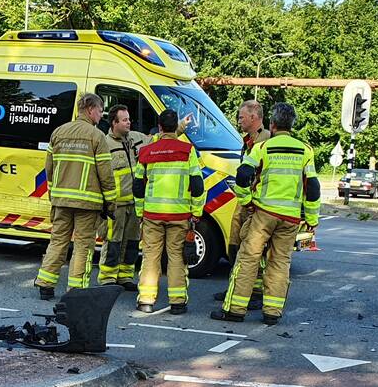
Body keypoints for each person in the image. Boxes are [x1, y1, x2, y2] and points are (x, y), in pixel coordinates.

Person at [211, 102, 320, 325]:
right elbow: (314, 187)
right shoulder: (306, 150)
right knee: (280, 263)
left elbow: (242, 175)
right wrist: (311, 219)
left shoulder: (263, 148)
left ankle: (235, 310)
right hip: (290, 218)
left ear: (272, 123)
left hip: (263, 214)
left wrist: (246, 201)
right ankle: (272, 312)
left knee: (248, 258)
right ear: (292, 124)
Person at [34, 93, 117, 299]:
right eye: (99, 110)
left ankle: (45, 284)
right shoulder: (96, 136)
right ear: (90, 109)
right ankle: (76, 290)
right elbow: (106, 174)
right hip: (87, 203)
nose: (101, 114)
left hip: (61, 201)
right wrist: (111, 203)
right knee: (83, 246)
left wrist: (54, 195)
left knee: (58, 241)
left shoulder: (58, 132)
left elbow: (49, 169)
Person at [133, 109, 206, 315]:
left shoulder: (147, 152)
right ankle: (177, 302)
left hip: (152, 214)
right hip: (180, 215)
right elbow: (197, 185)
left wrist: (140, 212)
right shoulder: (188, 151)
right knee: (176, 258)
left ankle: (146, 300)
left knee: (150, 258)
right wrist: (196, 212)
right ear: (176, 127)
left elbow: (138, 186)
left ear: (160, 127)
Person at [214, 100, 272, 307]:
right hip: (245, 200)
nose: (239, 121)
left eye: (241, 117)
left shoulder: (264, 140)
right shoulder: (248, 140)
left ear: (254, 117)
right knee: (238, 244)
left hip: (254, 203)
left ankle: (251, 291)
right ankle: (239, 286)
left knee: (253, 249)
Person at [98, 104, 147, 290]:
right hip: (115, 205)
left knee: (132, 242)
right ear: (114, 122)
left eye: (129, 119)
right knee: (113, 242)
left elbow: (158, 138)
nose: (129, 122)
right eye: (125, 120)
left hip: (134, 203)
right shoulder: (104, 144)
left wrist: (180, 126)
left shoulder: (135, 138)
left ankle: (125, 276)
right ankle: (108, 278)